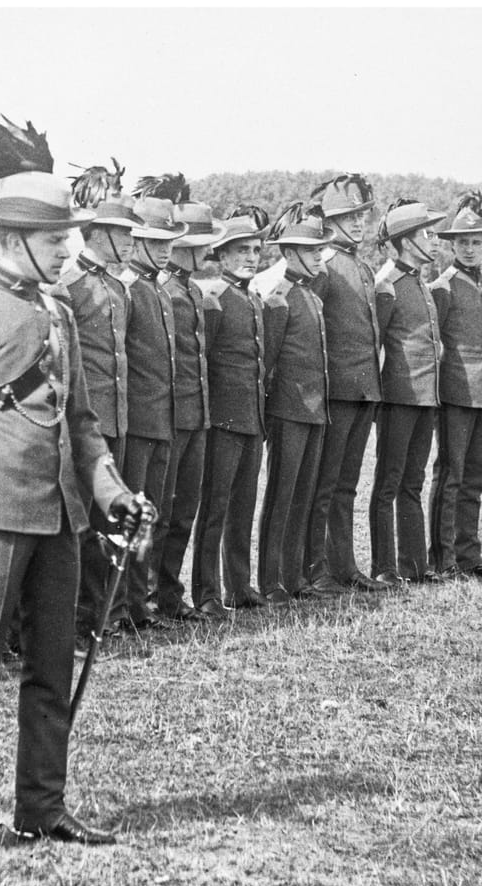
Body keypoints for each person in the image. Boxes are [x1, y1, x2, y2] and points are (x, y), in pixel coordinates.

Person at [0, 120, 150, 878]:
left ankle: (41, 805)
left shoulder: (58, 313)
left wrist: (110, 491)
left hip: (58, 518)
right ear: (16, 238)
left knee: (53, 663)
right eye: (56, 240)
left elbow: (81, 422)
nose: (68, 251)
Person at [56, 161, 141, 636]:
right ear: (97, 233)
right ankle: (82, 616)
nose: (130, 242)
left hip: (119, 419)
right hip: (86, 426)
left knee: (112, 522)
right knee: (84, 527)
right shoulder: (68, 287)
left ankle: (108, 612)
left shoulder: (115, 287)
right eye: (121, 233)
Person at [306, 174, 388, 595]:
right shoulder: (324, 264)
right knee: (325, 486)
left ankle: (344, 566)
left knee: (346, 485)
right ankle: (315, 570)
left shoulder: (361, 264)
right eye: (348, 216)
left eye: (361, 215)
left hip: (363, 390)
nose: (358, 223)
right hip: (335, 392)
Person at [115, 178, 187, 626]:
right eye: (153, 242)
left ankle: (139, 606)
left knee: (153, 517)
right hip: (138, 421)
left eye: (168, 243)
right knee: (130, 520)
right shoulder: (127, 289)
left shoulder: (159, 289)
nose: (163, 251)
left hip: (163, 420)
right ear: (135, 241)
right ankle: (120, 607)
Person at [428, 192, 482, 579]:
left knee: (475, 476)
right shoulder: (442, 288)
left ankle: (469, 554)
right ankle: (443, 559)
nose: (470, 248)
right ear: (452, 246)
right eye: (463, 242)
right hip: (456, 395)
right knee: (451, 475)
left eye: (476, 242)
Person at [192, 207, 268, 614]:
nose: (251, 257)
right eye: (241, 251)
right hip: (222, 421)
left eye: (255, 250)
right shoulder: (214, 300)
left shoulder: (253, 299)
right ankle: (206, 594)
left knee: (243, 505)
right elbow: (205, 362)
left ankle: (238, 587)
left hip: (251, 420)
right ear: (222, 257)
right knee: (215, 507)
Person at [367, 199, 446, 585]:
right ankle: (384, 567)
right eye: (426, 234)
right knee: (388, 484)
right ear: (405, 241)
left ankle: (414, 566)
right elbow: (375, 345)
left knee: (412, 483)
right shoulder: (388, 286)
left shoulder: (417, 281)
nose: (433, 241)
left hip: (425, 397)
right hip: (398, 399)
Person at [256, 202, 332, 602]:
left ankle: (294, 577)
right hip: (288, 412)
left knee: (303, 495)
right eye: (310, 248)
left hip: (314, 411)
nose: (319, 253)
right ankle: (271, 582)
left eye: (319, 247)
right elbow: (267, 364)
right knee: (281, 497)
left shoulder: (311, 298)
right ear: (288, 253)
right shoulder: (278, 299)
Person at [152, 196, 217, 619]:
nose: (209, 252)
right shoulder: (165, 291)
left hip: (196, 416)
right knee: (161, 511)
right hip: (172, 416)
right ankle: (148, 597)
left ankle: (170, 595)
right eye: (202, 244)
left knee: (184, 511)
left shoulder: (192, 289)